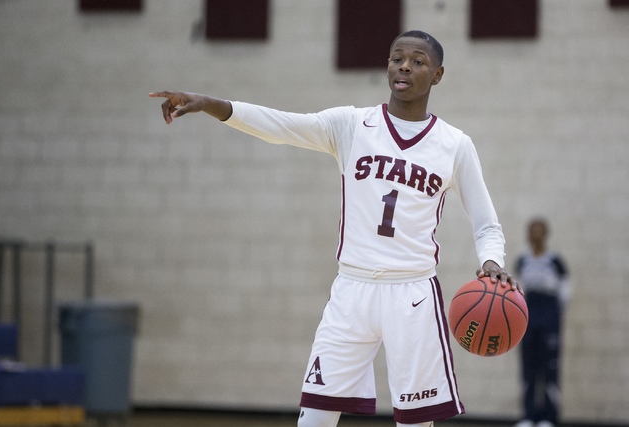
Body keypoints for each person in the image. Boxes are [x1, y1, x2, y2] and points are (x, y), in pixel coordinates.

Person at [150, 30, 522, 427]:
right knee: (314, 417)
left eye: (418, 61)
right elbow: (280, 125)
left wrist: (491, 261)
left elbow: (486, 223)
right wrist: (209, 104)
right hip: (352, 289)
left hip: (413, 293)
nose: (404, 67)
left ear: (438, 75)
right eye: (397, 58)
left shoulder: (455, 144)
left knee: (416, 423)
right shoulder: (352, 124)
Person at [514, 219, 570, 427]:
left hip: (549, 317)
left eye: (540, 231)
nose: (536, 235)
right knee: (528, 368)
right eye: (532, 231)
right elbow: (515, 294)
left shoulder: (556, 262)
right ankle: (529, 416)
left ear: (546, 234)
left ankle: (548, 417)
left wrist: (554, 317)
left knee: (549, 369)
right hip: (528, 317)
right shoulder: (522, 260)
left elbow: (566, 293)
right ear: (527, 234)